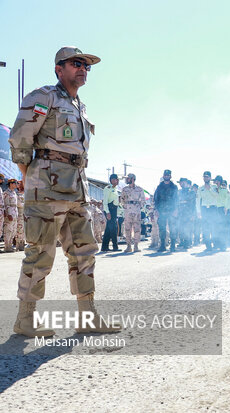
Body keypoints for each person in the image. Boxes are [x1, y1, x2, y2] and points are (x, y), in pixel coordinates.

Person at [9, 46, 119, 337]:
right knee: (40, 254)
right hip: (46, 190)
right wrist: (31, 178)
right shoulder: (44, 96)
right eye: (76, 63)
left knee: (84, 253)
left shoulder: (79, 106)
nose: (83, 68)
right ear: (59, 68)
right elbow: (20, 139)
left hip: (76, 190)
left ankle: (87, 316)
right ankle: (26, 320)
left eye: (86, 65)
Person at [153, 169, 178, 252]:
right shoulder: (159, 187)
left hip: (171, 210)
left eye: (168, 175)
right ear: (163, 176)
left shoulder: (174, 187)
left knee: (172, 228)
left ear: (170, 176)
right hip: (161, 211)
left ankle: (173, 245)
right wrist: (156, 209)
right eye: (165, 175)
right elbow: (156, 199)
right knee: (162, 229)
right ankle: (162, 245)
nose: (166, 176)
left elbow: (176, 199)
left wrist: (176, 210)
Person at [120, 173, 146, 253]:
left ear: (132, 179)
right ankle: (128, 246)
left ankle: (136, 246)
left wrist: (139, 207)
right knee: (127, 228)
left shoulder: (139, 189)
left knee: (137, 228)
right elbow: (121, 199)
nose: (126, 180)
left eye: (128, 178)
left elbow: (143, 200)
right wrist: (125, 206)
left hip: (136, 210)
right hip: (128, 210)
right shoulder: (124, 189)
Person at [197, 171, 217, 251]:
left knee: (213, 227)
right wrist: (198, 211)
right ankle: (208, 245)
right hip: (204, 209)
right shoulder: (200, 188)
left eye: (207, 177)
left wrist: (210, 189)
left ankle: (215, 243)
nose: (206, 178)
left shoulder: (214, 186)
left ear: (210, 178)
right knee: (205, 228)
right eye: (204, 177)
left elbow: (217, 195)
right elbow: (198, 201)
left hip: (213, 209)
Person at [101, 173, 120, 252]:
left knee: (108, 229)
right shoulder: (108, 188)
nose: (117, 181)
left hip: (114, 209)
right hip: (109, 209)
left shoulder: (116, 189)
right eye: (115, 179)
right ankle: (115, 247)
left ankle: (104, 247)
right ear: (112, 180)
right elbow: (105, 202)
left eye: (117, 179)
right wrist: (107, 212)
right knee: (113, 228)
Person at [177, 178, 195, 249]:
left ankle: (188, 242)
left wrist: (193, 214)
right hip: (180, 212)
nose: (181, 184)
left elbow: (193, 204)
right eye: (180, 183)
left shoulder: (191, 192)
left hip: (188, 213)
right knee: (181, 228)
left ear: (186, 183)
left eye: (182, 182)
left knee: (187, 228)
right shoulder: (179, 192)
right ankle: (182, 242)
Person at [3, 179, 19, 252]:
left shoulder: (14, 192)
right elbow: (6, 205)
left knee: (13, 230)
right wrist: (9, 214)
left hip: (15, 213)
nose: (16, 185)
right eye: (15, 183)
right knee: (8, 230)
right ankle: (7, 246)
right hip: (10, 214)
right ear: (11, 184)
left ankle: (10, 245)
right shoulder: (6, 193)